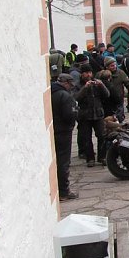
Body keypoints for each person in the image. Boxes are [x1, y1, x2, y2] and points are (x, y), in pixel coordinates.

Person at [75, 64, 109, 167]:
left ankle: (102, 157)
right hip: (85, 115)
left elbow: (107, 95)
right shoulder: (78, 85)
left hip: (98, 114)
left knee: (102, 136)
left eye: (90, 72)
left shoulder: (97, 83)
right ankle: (90, 158)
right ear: (82, 74)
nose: (89, 75)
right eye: (86, 73)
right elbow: (76, 98)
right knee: (87, 138)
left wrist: (102, 85)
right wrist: (85, 88)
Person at [52, 73, 79, 201]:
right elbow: (69, 115)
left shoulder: (50, 92)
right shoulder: (65, 96)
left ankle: (57, 189)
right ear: (66, 83)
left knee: (55, 160)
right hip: (63, 131)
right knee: (63, 162)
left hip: (54, 130)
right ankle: (63, 191)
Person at [103, 56, 129, 122]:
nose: (114, 67)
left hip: (119, 99)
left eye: (115, 65)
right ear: (107, 67)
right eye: (112, 66)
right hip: (107, 100)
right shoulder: (103, 74)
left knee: (119, 117)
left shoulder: (121, 73)